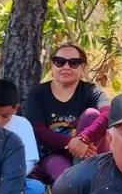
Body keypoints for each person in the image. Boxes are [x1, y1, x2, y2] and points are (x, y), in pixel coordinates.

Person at [23, 42, 110, 184]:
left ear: (82, 67)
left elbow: (108, 114)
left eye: (74, 63)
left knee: (91, 114)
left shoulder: (91, 91)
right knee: (67, 183)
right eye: (60, 62)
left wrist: (84, 139)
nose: (66, 67)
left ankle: (85, 177)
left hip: (92, 151)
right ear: (52, 65)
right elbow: (37, 130)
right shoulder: (38, 93)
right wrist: (71, 143)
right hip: (54, 155)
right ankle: (80, 181)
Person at [0, 79, 44, 194]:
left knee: (36, 189)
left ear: (15, 109)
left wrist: (8, 179)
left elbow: (28, 162)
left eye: (5, 116)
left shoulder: (22, 125)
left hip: (11, 180)